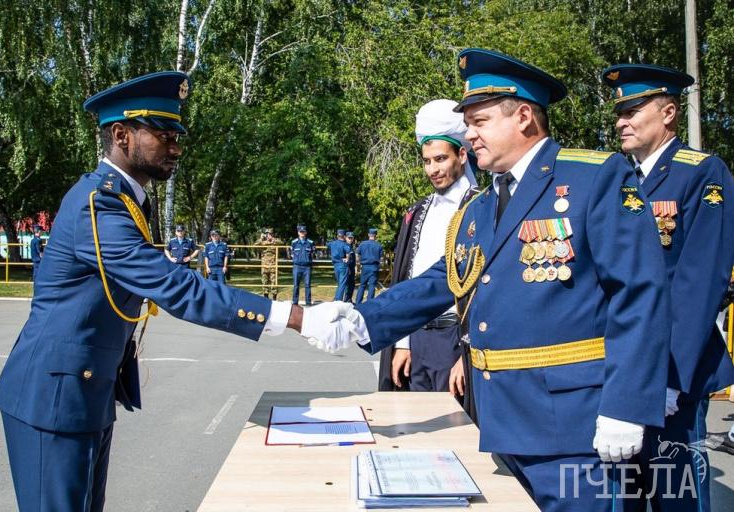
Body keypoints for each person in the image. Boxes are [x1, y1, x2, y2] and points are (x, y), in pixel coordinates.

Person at [297, 48, 671, 511]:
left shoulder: (594, 178)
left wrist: (627, 406)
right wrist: (361, 318)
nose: (469, 134)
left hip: (580, 427)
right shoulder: (479, 208)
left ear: (524, 117)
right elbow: (444, 280)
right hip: (504, 421)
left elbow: (641, 296)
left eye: (479, 121)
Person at [0, 71, 321, 511]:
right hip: (52, 398)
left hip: (82, 390)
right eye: (163, 136)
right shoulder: (98, 204)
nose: (176, 148)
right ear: (121, 135)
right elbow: (173, 285)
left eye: (176, 136)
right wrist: (292, 316)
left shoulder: (127, 200)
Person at [602, 63, 734, 512]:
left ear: (669, 112)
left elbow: (699, 283)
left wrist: (669, 378)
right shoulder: (619, 180)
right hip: (623, 372)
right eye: (619, 114)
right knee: (624, 497)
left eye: (632, 111)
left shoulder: (702, 174)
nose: (621, 122)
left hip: (674, 374)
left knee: (677, 496)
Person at [377, 99, 479, 411]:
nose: (432, 169)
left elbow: (488, 289)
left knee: (459, 429)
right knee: (414, 425)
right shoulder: (417, 212)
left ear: (462, 155)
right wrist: (403, 343)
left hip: (456, 342)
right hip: (417, 340)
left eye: (440, 159)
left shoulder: (481, 207)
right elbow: (408, 282)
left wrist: (469, 356)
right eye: (426, 161)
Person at [355, 228, 383, 303]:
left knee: (362, 285)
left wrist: (358, 263)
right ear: (376, 235)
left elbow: (357, 254)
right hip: (374, 267)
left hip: (365, 267)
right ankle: (369, 303)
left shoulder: (362, 244)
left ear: (368, 235)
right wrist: (379, 266)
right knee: (372, 286)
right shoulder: (379, 245)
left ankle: (358, 302)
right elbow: (381, 259)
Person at [289, 224, 315, 306]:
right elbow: (291, 253)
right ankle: (295, 302)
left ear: (306, 232)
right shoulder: (294, 242)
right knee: (296, 285)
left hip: (307, 267)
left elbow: (313, 253)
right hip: (297, 266)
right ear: (298, 233)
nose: (302, 233)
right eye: (301, 232)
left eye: (303, 232)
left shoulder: (310, 242)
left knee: (307, 285)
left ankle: (308, 302)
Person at [254, 228, 282, 299]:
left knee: (274, 282)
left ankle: (274, 298)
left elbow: (282, 243)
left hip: (273, 265)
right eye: (267, 234)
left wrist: (273, 240)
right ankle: (265, 297)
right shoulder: (262, 242)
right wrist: (261, 239)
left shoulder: (275, 241)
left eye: (270, 234)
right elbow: (255, 245)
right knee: (264, 282)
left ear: (272, 234)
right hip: (265, 265)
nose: (269, 235)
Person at [326, 229, 351, 301]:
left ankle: (336, 298)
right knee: (342, 284)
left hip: (335, 265)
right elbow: (348, 252)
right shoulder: (345, 244)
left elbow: (327, 245)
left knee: (339, 283)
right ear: (344, 236)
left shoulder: (332, 243)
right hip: (342, 264)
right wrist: (347, 258)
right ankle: (338, 300)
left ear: (337, 236)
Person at [344, 231, 357, 302]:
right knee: (347, 285)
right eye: (349, 238)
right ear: (346, 238)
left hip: (352, 268)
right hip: (347, 267)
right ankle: (346, 299)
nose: (350, 239)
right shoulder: (344, 246)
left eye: (352, 238)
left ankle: (349, 299)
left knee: (352, 284)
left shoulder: (351, 246)